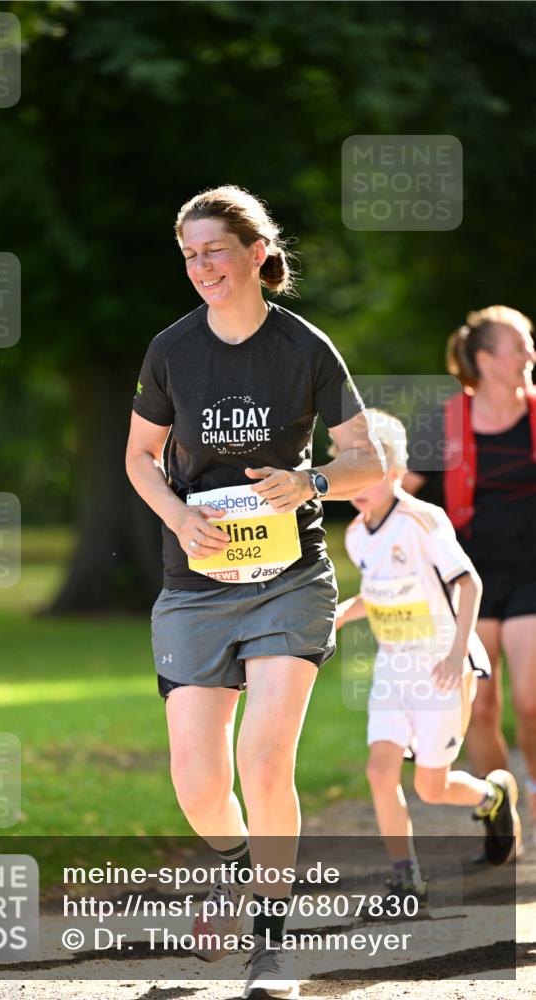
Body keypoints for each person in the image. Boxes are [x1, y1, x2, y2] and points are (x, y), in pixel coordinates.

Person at [126, 185, 384, 999]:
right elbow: (138, 456)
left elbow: (369, 462)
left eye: (214, 250)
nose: (201, 266)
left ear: (256, 254)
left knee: (264, 759)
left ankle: (273, 943)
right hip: (195, 582)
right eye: (189, 254)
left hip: (288, 581)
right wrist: (175, 516)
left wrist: (307, 480)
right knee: (199, 783)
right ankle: (241, 866)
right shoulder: (170, 348)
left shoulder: (305, 348)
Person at [336, 409, 522, 907]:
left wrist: (458, 652)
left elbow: (468, 582)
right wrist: (339, 615)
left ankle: (492, 796)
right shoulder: (355, 536)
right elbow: (379, 595)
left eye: (366, 465)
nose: (354, 477)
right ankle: (405, 875)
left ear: (395, 469)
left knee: (432, 788)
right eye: (344, 463)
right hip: (392, 669)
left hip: (442, 668)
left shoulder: (422, 519)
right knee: (380, 770)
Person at [405, 306, 536, 847]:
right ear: (484, 360)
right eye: (518, 346)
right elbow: (402, 492)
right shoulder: (444, 423)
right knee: (482, 705)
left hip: (532, 575)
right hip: (471, 583)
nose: (530, 355)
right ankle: (497, 803)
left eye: (529, 345)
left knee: (531, 700)